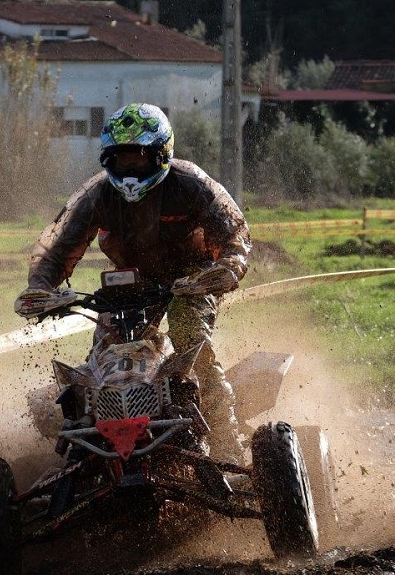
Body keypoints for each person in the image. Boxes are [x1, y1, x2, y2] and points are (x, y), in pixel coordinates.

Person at [15, 103, 251, 463]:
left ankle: (225, 443)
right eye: (120, 159)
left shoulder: (191, 184)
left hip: (192, 279)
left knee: (192, 344)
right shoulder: (97, 194)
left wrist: (228, 266)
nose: (129, 168)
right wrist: (42, 288)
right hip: (130, 284)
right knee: (104, 358)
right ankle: (85, 456)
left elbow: (233, 233)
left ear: (160, 154)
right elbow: (57, 247)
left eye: (138, 158)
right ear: (108, 160)